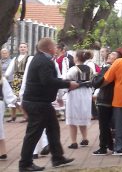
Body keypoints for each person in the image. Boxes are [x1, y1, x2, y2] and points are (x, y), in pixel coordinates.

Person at [19, 38, 78, 172]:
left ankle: (57, 158)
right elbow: (47, 81)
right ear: (49, 48)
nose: (56, 49)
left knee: (53, 129)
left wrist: (65, 83)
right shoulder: (44, 61)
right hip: (37, 103)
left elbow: (48, 80)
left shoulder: (40, 59)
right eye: (54, 46)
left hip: (40, 102)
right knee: (33, 134)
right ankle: (25, 164)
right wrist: (68, 84)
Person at [61, 51, 95, 149]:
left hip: (75, 92)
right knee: (83, 115)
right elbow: (92, 80)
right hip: (86, 93)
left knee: (72, 117)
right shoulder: (90, 68)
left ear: (76, 58)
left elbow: (66, 79)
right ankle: (84, 138)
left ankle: (74, 141)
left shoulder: (73, 69)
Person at [91, 50, 121, 155]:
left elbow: (96, 82)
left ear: (117, 59)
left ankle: (103, 147)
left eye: (113, 54)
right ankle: (111, 145)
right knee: (109, 124)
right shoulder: (119, 69)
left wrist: (95, 76)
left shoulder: (107, 68)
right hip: (114, 99)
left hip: (104, 99)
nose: (109, 55)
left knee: (103, 125)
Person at [5, 42, 32, 123]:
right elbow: (10, 70)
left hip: (25, 79)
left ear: (27, 49)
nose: (22, 48)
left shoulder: (29, 58)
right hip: (16, 80)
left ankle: (26, 115)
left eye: (24, 47)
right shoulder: (15, 59)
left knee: (23, 98)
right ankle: (13, 116)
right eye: (21, 47)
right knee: (13, 98)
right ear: (18, 48)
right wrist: (4, 76)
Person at [0, 69, 17, 160]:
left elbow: (9, 95)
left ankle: (3, 152)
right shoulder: (2, 79)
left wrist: (19, 106)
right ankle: (2, 152)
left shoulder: (2, 79)